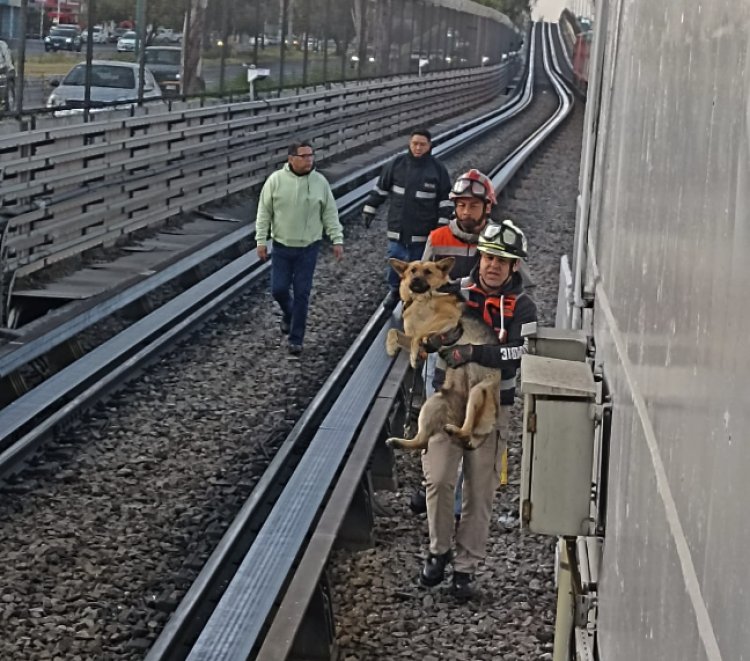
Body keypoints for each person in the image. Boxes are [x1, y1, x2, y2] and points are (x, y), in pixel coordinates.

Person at [419, 219, 537, 600]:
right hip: (448, 399)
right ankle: (439, 549)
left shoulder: (523, 306)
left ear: (514, 266)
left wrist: (475, 352)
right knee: (438, 479)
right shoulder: (453, 292)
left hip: (490, 408)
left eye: (502, 261)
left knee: (480, 492)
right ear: (479, 258)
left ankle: (465, 569)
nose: (492, 266)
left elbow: (521, 353)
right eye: (488, 258)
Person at [409, 169, 497, 516]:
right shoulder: (438, 237)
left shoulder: (496, 240)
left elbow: (520, 284)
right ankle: (432, 483)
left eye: (473, 206)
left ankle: (457, 499)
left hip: (477, 348)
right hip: (444, 343)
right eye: (461, 205)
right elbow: (420, 286)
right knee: (437, 409)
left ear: (486, 208)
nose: (466, 213)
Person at [255, 140, 344, 356]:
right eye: (303, 156)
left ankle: (296, 339)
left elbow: (330, 213)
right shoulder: (275, 181)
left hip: (308, 247)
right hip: (282, 246)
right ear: (291, 159)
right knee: (279, 290)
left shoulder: (319, 182)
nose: (309, 160)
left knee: (302, 293)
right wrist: (261, 240)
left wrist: (336, 239)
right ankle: (289, 314)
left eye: (311, 156)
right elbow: (264, 212)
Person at [362, 128, 453, 310]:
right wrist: (369, 209)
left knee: (419, 274)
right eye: (414, 144)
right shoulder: (396, 165)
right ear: (410, 144)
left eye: (422, 144)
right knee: (395, 266)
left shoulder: (437, 170)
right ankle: (395, 292)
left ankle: (415, 304)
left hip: (422, 234)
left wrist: (441, 226)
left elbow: (445, 200)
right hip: (398, 231)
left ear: (429, 146)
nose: (418, 148)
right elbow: (381, 189)